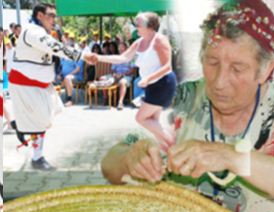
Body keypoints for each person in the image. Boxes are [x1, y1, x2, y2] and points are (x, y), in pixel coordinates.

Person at [100, 0, 274, 212]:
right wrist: (131, 158)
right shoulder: (181, 99)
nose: (219, 81)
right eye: (212, 63)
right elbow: (110, 164)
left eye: (237, 68)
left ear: (266, 70)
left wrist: (232, 157)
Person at [8, 3, 91, 170]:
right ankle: (37, 158)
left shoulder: (44, 32)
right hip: (26, 84)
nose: (54, 19)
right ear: (39, 15)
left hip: (41, 85)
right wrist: (82, 55)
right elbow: (54, 47)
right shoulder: (32, 31)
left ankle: (20, 125)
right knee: (41, 121)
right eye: (50, 15)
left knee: (49, 115)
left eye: (54, 15)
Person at [86, 12, 177, 149]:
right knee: (153, 122)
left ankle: (173, 144)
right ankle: (168, 151)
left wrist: (147, 78)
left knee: (141, 118)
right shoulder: (139, 42)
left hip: (163, 84)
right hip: (151, 85)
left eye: (138, 24)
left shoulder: (160, 40)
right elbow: (122, 58)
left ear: (149, 26)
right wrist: (98, 57)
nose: (136, 27)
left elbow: (167, 66)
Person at [87, 41, 136, 110]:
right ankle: (106, 98)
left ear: (126, 48)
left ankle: (120, 102)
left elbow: (133, 70)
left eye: (122, 47)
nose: (120, 49)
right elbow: (113, 69)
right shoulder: (116, 57)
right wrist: (114, 74)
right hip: (116, 74)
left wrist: (122, 74)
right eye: (119, 47)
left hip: (126, 75)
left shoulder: (131, 57)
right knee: (102, 78)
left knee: (122, 82)